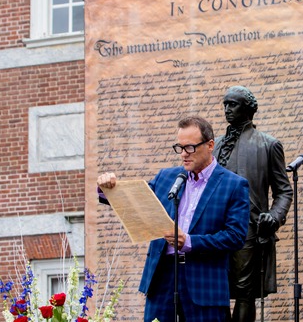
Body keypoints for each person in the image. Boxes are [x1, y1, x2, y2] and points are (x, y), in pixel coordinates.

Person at [97, 116, 250, 322]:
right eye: (180, 147)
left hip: (205, 285)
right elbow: (135, 204)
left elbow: (235, 236)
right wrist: (107, 189)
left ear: (210, 145)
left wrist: (190, 242)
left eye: (190, 148)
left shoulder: (234, 185)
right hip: (162, 279)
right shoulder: (166, 178)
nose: (184, 154)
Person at [213, 85, 293, 321]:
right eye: (225, 104)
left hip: (247, 227)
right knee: (213, 289)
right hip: (212, 228)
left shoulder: (268, 144)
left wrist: (274, 216)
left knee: (244, 292)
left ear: (248, 108)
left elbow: (284, 191)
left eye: (233, 104)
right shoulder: (214, 145)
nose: (227, 109)